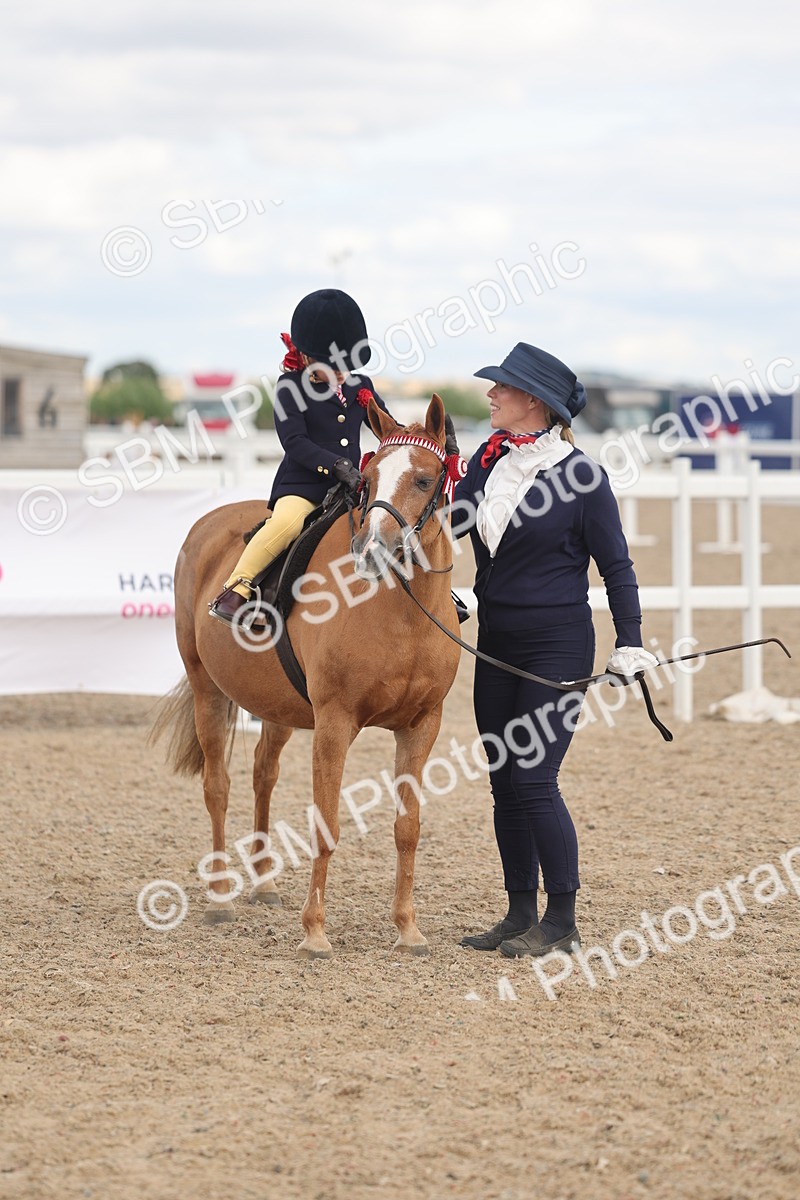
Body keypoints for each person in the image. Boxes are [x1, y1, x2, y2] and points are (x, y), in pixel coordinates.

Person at [453, 342, 657, 957]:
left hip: (558, 642)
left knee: (535, 777)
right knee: (502, 780)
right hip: (496, 640)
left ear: (533, 403)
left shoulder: (582, 476)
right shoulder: (488, 463)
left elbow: (616, 566)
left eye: (502, 388)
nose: (490, 394)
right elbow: (449, 530)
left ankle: (562, 920)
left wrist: (631, 643)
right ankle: (519, 913)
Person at [209, 289, 393, 625]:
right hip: (305, 485)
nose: (343, 373)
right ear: (307, 357)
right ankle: (238, 588)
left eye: (347, 365)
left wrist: (410, 440)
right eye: (334, 366)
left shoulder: (359, 385)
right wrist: (336, 465)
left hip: (354, 485)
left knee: (395, 519)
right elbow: (294, 441)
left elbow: (385, 425)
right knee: (286, 524)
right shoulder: (289, 387)